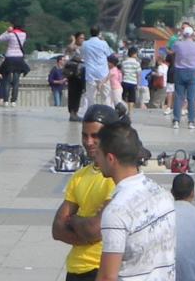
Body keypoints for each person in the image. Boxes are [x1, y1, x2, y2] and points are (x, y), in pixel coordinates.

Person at [96, 122, 175, 281]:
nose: (95, 160)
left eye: (98, 154)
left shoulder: (116, 212)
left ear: (110, 158)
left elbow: (107, 277)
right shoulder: (163, 194)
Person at [53, 105, 124, 281]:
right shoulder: (79, 176)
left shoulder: (117, 177)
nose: (88, 142)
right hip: (74, 270)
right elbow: (57, 228)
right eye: (85, 135)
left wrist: (74, 220)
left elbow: (94, 230)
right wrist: (89, 231)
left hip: (102, 269)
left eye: (95, 136)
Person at [167, 28, 195, 130]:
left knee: (179, 97)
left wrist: (180, 37)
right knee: (191, 98)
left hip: (179, 71)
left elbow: (172, 47)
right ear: (192, 34)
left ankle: (176, 121)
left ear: (184, 34)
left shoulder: (179, 44)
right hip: (192, 72)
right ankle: (191, 121)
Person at [0, 22, 29, 105]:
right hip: (19, 57)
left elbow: (0, 39)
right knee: (16, 80)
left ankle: (6, 100)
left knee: (7, 80)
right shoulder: (24, 34)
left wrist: (7, 31)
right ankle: (13, 101)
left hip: (10, 57)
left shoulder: (10, 35)